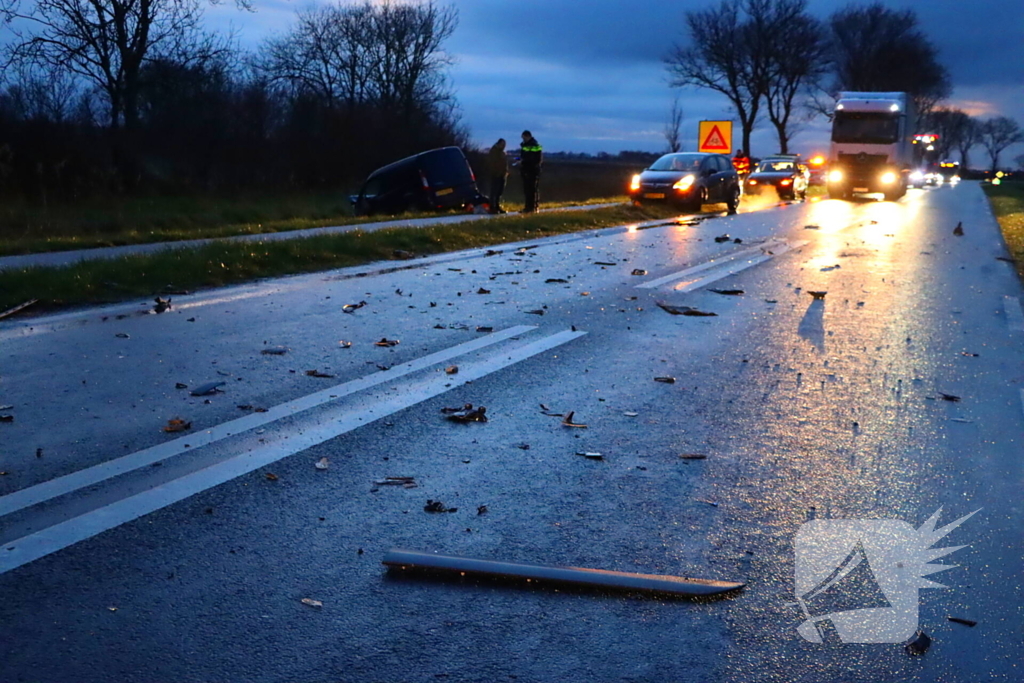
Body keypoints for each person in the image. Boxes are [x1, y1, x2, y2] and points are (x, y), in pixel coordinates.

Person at [519, 130, 543, 213]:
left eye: (524, 138)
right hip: (526, 169)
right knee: (527, 190)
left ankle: (532, 207)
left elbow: (534, 159)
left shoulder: (534, 145)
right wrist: (518, 160)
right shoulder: (525, 145)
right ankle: (528, 207)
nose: (523, 140)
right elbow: (523, 156)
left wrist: (524, 161)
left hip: (532, 170)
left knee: (532, 190)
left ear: (528, 136)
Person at [487, 138, 508, 214]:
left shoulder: (502, 152)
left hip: (502, 174)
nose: (503, 146)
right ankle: (492, 207)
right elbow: (493, 163)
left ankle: (497, 206)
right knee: (494, 191)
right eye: (502, 145)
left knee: (499, 191)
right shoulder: (494, 152)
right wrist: (496, 172)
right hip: (496, 174)